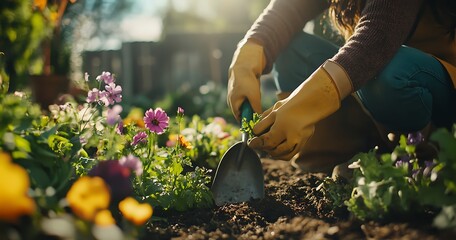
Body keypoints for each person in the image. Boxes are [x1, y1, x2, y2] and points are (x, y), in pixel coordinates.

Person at [227, 0, 456, 174]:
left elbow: (374, 41)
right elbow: (289, 9)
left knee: (387, 71)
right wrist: (248, 55)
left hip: (439, 93)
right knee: (289, 47)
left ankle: (421, 163)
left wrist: (304, 106)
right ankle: (337, 159)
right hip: (378, 91)